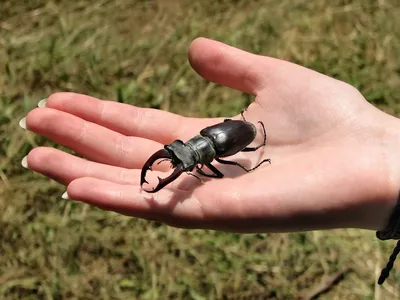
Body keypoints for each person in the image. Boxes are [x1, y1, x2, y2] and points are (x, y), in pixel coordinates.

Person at [19, 37, 399, 236]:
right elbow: (197, 158)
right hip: (222, 137)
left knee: (230, 155)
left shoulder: (217, 150)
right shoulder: (199, 148)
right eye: (181, 155)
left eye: (184, 157)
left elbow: (231, 152)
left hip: (236, 136)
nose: (180, 161)